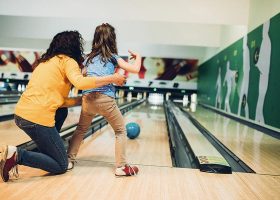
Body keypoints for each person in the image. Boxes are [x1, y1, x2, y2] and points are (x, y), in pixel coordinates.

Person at [0, 30, 126, 182]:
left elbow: (57, 99)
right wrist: (112, 78)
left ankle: (46, 151)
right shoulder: (68, 61)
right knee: (61, 164)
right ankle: (18, 155)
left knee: (62, 111)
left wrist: (84, 99)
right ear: (73, 46)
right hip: (37, 119)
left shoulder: (45, 62)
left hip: (21, 115)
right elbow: (79, 82)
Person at [67, 23, 141, 176]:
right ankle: (121, 167)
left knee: (80, 130)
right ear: (112, 39)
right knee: (120, 130)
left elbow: (82, 76)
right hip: (105, 99)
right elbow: (135, 69)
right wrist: (138, 57)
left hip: (88, 99)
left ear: (95, 39)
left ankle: (68, 160)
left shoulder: (88, 58)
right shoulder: (113, 57)